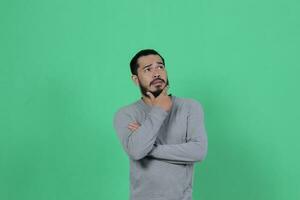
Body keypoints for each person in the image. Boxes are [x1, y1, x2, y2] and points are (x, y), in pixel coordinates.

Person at [113, 49, 208, 200]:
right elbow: (136, 151)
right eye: (148, 69)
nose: (156, 73)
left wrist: (149, 148)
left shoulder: (190, 107)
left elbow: (198, 151)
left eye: (160, 67)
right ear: (135, 79)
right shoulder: (126, 114)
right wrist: (159, 110)